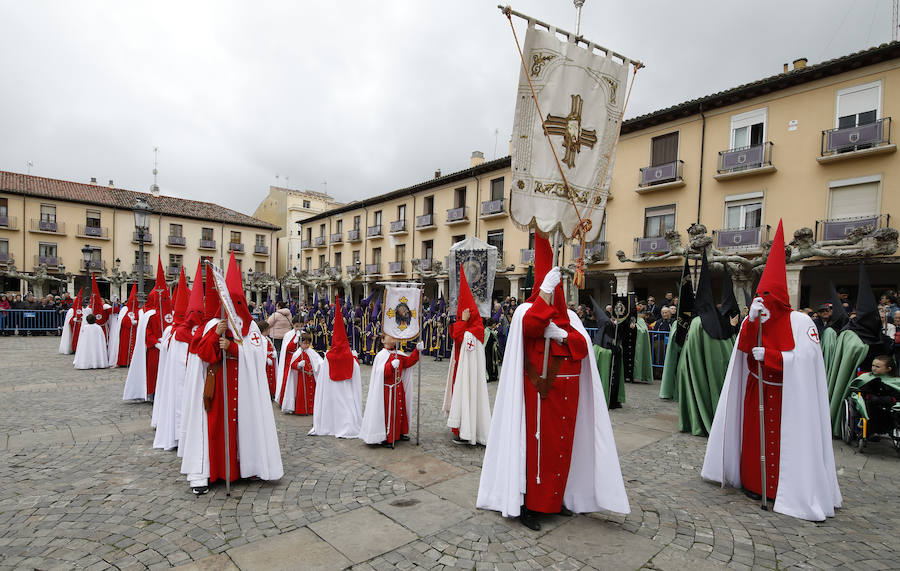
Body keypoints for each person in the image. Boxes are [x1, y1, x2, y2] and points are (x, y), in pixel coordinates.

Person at [478, 233, 629, 531]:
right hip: (539, 395)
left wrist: (562, 336)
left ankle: (555, 498)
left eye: (556, 288)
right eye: (550, 287)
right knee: (536, 451)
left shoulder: (570, 318)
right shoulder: (525, 312)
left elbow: (583, 347)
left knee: (562, 450)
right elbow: (533, 327)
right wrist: (543, 299)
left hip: (567, 396)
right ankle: (530, 504)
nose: (556, 293)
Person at [702, 221, 841, 521]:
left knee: (784, 446)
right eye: (760, 295)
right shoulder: (756, 318)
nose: (764, 301)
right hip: (757, 392)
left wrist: (776, 357)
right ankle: (754, 483)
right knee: (754, 443)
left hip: (788, 397)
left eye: (769, 296)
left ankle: (783, 489)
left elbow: (807, 361)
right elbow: (741, 352)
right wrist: (751, 324)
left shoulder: (801, 323)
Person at [182, 252, 283, 495]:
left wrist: (234, 347)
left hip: (244, 390)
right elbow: (203, 354)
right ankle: (214, 471)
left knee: (242, 431)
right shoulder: (213, 325)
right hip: (218, 390)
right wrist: (217, 335)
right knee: (216, 430)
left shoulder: (252, 330)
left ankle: (242, 469)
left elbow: (260, 356)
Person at [442, 265, 491, 446]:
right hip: (459, 367)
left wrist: (462, 322)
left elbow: (459, 336)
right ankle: (460, 426)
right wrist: (461, 321)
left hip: (467, 373)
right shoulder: (470, 328)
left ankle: (468, 430)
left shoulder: (474, 331)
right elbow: (455, 335)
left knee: (468, 394)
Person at [309, 296, 363, 438]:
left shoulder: (328, 358)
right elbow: (355, 374)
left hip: (332, 391)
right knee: (347, 406)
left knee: (332, 406)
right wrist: (355, 359)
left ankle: (329, 424)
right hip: (347, 389)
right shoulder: (350, 357)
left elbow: (322, 378)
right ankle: (347, 425)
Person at [360, 333, 422, 447]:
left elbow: (408, 362)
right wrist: (390, 366)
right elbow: (380, 373)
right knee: (390, 413)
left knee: (400, 412)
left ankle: (400, 432)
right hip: (387, 391)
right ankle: (389, 436)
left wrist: (417, 351)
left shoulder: (398, 354)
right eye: (391, 337)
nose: (394, 340)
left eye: (395, 338)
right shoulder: (381, 355)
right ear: (383, 340)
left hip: (398, 386)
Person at [123, 260, 173, 402]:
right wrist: (155, 343)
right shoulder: (149, 315)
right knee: (153, 372)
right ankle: (153, 392)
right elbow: (147, 333)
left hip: (168, 348)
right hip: (154, 350)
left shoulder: (172, 313)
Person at [280, 332, 321, 415]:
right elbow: (292, 365)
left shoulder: (312, 352)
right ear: (300, 343)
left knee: (312, 394)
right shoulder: (297, 353)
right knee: (302, 395)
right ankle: (302, 410)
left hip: (311, 377)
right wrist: (298, 365)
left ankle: (312, 410)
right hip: (302, 378)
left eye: (308, 343)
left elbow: (319, 362)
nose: (306, 345)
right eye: (304, 343)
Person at [258, 320, 278, 398]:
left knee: (271, 378)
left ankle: (271, 392)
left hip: (271, 362)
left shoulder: (267, 339)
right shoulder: (260, 339)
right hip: (265, 363)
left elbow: (271, 347)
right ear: (265, 329)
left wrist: (274, 352)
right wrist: (266, 358)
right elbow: (260, 351)